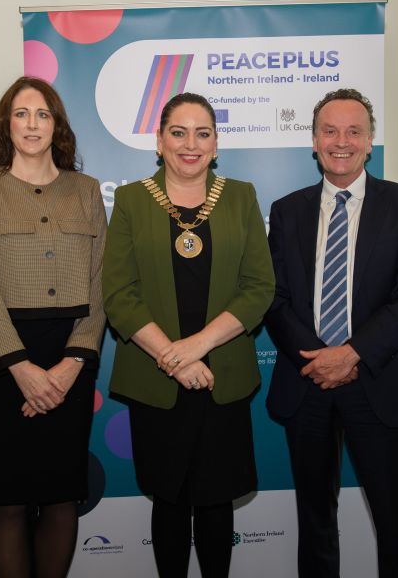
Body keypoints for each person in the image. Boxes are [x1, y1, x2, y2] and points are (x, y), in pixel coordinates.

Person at [266, 88, 398, 577]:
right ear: (314, 141)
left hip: (381, 382)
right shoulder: (287, 210)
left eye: (353, 131)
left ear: (369, 141)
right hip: (308, 383)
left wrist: (352, 353)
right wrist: (319, 358)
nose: (341, 141)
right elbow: (274, 298)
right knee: (316, 521)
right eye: (330, 130)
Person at [103, 92, 274, 578]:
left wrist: (196, 348)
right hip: (157, 382)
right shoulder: (133, 200)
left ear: (216, 144)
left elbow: (259, 288)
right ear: (159, 141)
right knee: (170, 501)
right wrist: (174, 359)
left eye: (203, 133)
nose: (190, 144)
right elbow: (119, 294)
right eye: (178, 132)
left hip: (223, 377)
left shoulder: (240, 196)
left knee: (217, 501)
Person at [0, 76, 106, 578]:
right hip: (0, 362)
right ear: (6, 123)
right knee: (7, 501)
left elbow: (101, 280)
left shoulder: (85, 190)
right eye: (21, 114)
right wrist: (21, 368)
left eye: (42, 114)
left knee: (62, 498)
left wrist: (71, 364)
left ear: (57, 123)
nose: (32, 124)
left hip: (70, 356)